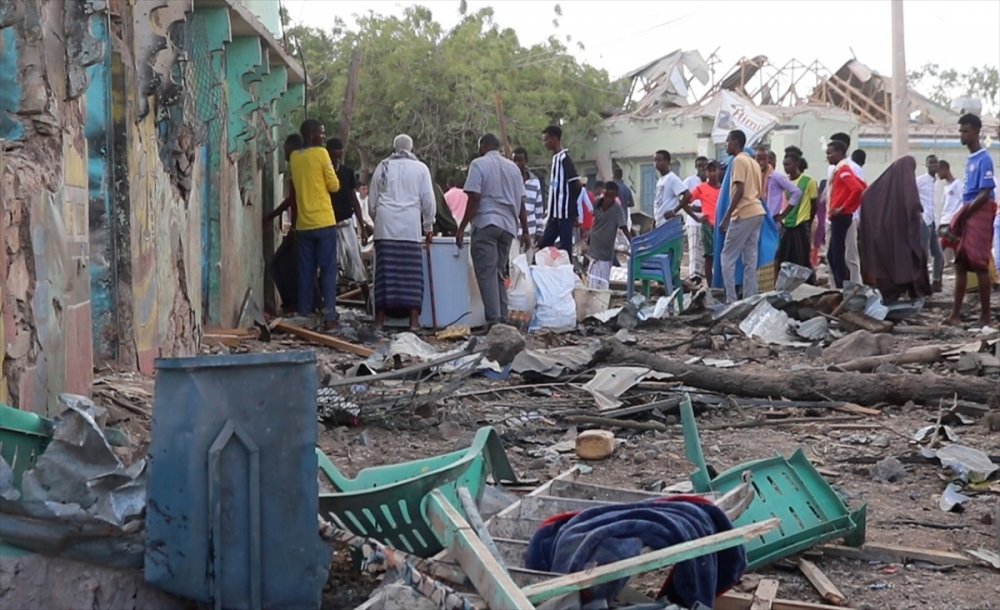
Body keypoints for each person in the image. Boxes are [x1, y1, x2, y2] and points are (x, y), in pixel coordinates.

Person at [457, 133, 530, 327]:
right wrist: (526, 231)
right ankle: (503, 318)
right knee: (498, 272)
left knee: (487, 273)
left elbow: (474, 198)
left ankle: (494, 321)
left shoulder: (478, 164)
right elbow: (521, 203)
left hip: (487, 223)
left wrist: (462, 227)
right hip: (508, 226)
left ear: (484, 146)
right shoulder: (513, 168)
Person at [369, 134, 436, 331]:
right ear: (411, 147)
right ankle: (413, 323)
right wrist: (428, 227)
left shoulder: (382, 167)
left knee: (384, 275)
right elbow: (428, 201)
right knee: (412, 276)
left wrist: (379, 219)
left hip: (385, 226)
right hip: (409, 227)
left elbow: (372, 202)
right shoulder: (420, 169)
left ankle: (379, 322)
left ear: (394, 147)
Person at [289, 119, 340, 329]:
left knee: (306, 272)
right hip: (324, 221)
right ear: (311, 135)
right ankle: (329, 318)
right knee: (328, 271)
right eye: (321, 132)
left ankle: (304, 314)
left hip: (304, 224)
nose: (323, 136)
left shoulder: (294, 157)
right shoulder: (321, 154)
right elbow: (334, 186)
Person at [947, 114, 996, 328]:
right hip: (969, 210)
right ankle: (955, 314)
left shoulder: (984, 159)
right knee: (960, 262)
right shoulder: (971, 160)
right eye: (960, 131)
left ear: (976, 131)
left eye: (965, 130)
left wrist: (965, 213)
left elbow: (985, 192)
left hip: (980, 211)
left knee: (979, 264)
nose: (962, 134)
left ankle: (985, 317)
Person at [859, 156, 931, 302]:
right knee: (913, 258)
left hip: (884, 235)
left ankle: (896, 293)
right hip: (900, 234)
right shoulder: (904, 184)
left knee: (892, 262)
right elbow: (912, 205)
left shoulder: (881, 188)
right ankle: (914, 292)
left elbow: (866, 196)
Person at [719, 130, 765, 303]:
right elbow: (759, 193)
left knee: (727, 258)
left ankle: (731, 300)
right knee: (750, 259)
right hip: (757, 211)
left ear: (735, 143)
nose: (726, 145)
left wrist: (726, 217)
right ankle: (749, 299)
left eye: (727, 141)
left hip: (743, 212)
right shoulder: (753, 163)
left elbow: (739, 189)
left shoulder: (738, 160)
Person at [263, 133, 304, 313]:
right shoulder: (299, 167)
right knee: (286, 265)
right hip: (301, 226)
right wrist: (272, 216)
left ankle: (293, 303)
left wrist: (294, 227)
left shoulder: (299, 166)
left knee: (279, 265)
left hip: (301, 227)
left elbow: (294, 200)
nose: (285, 152)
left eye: (287, 148)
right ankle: (293, 303)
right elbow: (291, 200)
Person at [326, 138, 369, 302]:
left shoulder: (347, 172)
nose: (336, 158)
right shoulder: (323, 173)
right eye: (333, 155)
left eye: (339, 155)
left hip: (346, 222)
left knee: (356, 261)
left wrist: (362, 228)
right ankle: (329, 305)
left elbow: (353, 199)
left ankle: (367, 300)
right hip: (328, 224)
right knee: (331, 266)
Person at [825, 140, 867, 288]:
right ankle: (840, 286)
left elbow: (857, 189)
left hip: (840, 216)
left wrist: (843, 207)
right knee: (832, 254)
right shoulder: (841, 169)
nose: (828, 157)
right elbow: (863, 186)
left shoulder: (843, 170)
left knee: (838, 254)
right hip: (839, 215)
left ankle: (841, 287)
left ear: (840, 153)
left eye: (830, 153)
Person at [537, 125, 581, 256]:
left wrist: (572, 209)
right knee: (544, 246)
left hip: (564, 215)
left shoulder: (564, 158)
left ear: (554, 139)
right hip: (553, 215)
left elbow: (577, 185)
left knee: (565, 250)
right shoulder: (555, 158)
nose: (544, 143)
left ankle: (567, 274)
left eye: (546, 140)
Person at [776, 152, 818, 274]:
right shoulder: (784, 182)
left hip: (801, 224)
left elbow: (814, 204)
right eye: (784, 165)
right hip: (786, 224)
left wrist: (808, 222)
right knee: (783, 256)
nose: (786, 168)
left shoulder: (808, 181)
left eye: (788, 164)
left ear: (796, 164)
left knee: (801, 257)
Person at [586, 181, 630, 289]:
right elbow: (591, 220)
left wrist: (632, 242)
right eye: (607, 196)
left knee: (603, 282)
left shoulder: (617, 210)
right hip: (594, 247)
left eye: (612, 197)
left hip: (606, 252)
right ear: (603, 193)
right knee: (592, 280)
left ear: (615, 197)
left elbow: (623, 227)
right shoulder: (596, 204)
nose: (608, 199)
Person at [916, 154, 945, 292]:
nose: (933, 165)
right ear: (926, 165)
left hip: (933, 221)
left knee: (938, 254)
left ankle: (936, 281)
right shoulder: (920, 180)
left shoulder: (937, 182)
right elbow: (910, 195)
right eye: (931, 163)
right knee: (924, 253)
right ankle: (922, 282)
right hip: (924, 220)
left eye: (935, 163)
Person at [690, 161, 721, 286]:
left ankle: (720, 285)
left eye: (714, 170)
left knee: (722, 258)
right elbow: (685, 200)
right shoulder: (701, 188)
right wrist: (697, 217)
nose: (712, 173)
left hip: (721, 226)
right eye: (709, 170)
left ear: (719, 171)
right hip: (708, 226)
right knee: (709, 258)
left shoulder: (724, 188)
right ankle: (711, 287)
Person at [513, 147, 545, 246]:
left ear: (526, 161)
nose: (517, 164)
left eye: (520, 160)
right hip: (513, 234)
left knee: (528, 261)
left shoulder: (535, 182)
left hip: (531, 232)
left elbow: (539, 210)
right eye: (515, 161)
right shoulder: (510, 182)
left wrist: (539, 231)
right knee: (514, 261)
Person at [653, 150, 694, 226]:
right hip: (660, 222)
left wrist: (674, 211)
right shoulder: (660, 180)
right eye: (655, 161)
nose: (656, 163)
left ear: (667, 162)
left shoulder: (672, 178)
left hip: (668, 223)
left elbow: (687, 194)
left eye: (659, 160)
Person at [759, 148, 803, 219]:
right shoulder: (757, 176)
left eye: (765, 159)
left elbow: (797, 192)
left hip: (772, 219)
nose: (761, 162)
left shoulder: (776, 176)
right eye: (759, 159)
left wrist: (783, 215)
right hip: (761, 218)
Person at [684, 156, 708, 280]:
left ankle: (704, 277)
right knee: (694, 251)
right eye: (699, 166)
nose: (702, 169)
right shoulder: (690, 181)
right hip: (694, 221)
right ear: (696, 167)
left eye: (704, 166)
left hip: (708, 221)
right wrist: (695, 210)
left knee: (706, 251)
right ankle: (694, 277)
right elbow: (682, 200)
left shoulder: (711, 182)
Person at [937, 160, 965, 233]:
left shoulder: (958, 184)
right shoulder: (945, 187)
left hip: (952, 221)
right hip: (944, 221)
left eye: (938, 171)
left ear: (944, 169)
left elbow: (965, 202)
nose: (937, 174)